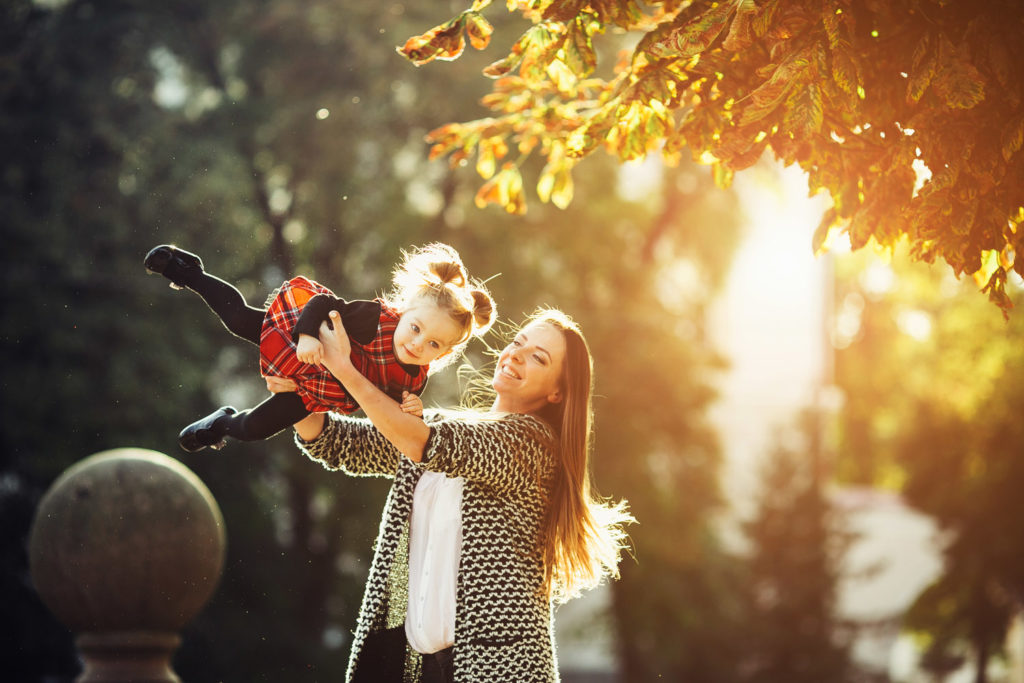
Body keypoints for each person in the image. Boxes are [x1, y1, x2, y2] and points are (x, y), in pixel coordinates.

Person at [277, 306, 633, 682]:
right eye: (518, 342)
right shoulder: (442, 428)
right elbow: (339, 442)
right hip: (413, 668)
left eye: (537, 358)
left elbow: (424, 443)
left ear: (558, 392)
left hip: (494, 671)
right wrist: (292, 385)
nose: (516, 355)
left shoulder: (532, 444)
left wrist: (342, 367)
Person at [143, 242, 494, 452]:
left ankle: (223, 424)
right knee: (239, 320)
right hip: (298, 340)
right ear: (403, 312)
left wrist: (412, 412)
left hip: (313, 392)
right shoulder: (374, 319)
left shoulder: (415, 380)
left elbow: (385, 412)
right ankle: (188, 272)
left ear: (443, 354)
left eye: (433, 343)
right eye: (415, 328)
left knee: (256, 429)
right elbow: (324, 302)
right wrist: (308, 334)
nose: (418, 343)